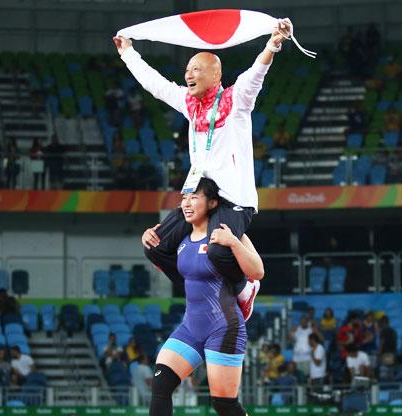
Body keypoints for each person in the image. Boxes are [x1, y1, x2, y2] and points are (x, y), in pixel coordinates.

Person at [115, 20, 291, 321]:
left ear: (215, 73)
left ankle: (244, 289)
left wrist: (273, 43)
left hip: (233, 199)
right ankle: (202, 292)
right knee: (155, 248)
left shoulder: (236, 101)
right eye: (187, 69)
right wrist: (128, 53)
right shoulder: (189, 103)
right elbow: (155, 85)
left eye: (196, 68)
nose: (188, 74)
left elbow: (255, 75)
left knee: (219, 252)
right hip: (199, 195)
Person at [123, 178, 265, 416]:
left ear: (212, 203)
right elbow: (169, 262)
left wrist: (234, 243)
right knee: (161, 381)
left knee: (223, 401)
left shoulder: (225, 231)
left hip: (223, 327)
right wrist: (148, 238)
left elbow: (258, 270)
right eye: (184, 197)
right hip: (191, 326)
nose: (186, 203)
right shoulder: (181, 236)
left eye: (194, 197)